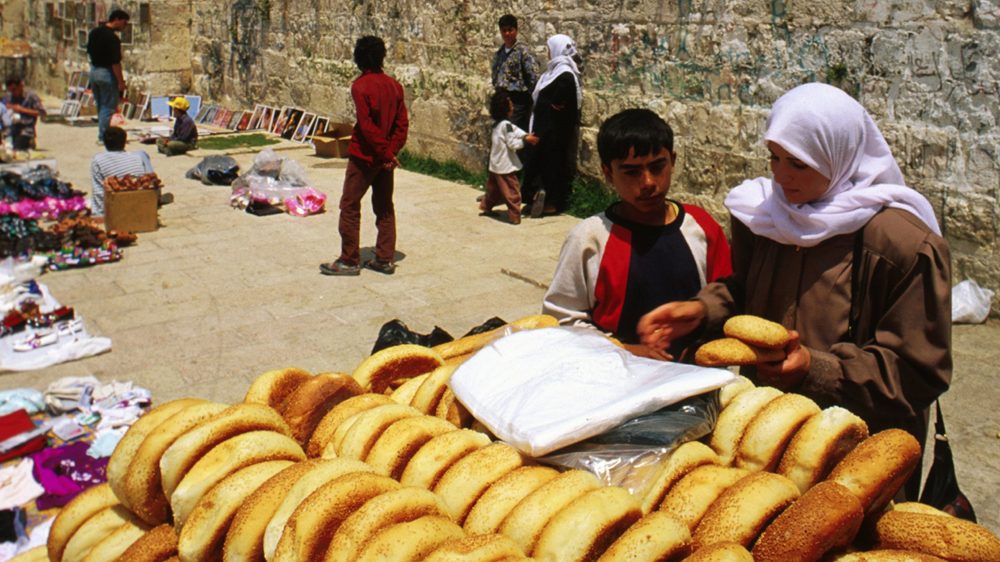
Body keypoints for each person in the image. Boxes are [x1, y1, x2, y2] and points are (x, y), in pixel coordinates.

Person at [637, 83, 951, 498]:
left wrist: (815, 368)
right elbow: (747, 290)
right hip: (761, 439)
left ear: (838, 156)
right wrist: (703, 310)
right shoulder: (767, 217)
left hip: (855, 462)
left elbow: (917, 372)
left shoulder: (904, 246)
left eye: (799, 164)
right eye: (774, 157)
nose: (781, 176)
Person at [543, 108, 732, 360]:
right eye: (631, 172)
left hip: (697, 377)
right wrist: (627, 352)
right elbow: (561, 320)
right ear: (608, 173)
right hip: (617, 382)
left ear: (673, 161)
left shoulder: (701, 226)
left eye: (657, 167)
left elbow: (729, 299)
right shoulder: (589, 239)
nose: (648, 183)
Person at [320, 36, 408, 277]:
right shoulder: (395, 86)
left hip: (364, 157)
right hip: (384, 159)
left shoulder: (360, 86)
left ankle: (349, 259)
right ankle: (384, 258)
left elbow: (367, 127)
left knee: (349, 205)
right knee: (384, 207)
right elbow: (402, 125)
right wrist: (391, 152)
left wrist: (385, 152)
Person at [521, 34, 582, 218]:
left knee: (551, 163)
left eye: (550, 49)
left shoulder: (564, 71)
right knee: (541, 161)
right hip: (545, 127)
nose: (548, 53)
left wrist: (557, 101)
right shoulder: (555, 70)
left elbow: (566, 85)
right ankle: (538, 196)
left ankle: (552, 203)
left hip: (554, 129)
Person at [481, 90, 539, 225]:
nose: (512, 106)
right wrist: (526, 141)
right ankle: (514, 216)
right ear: (505, 109)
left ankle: (485, 206)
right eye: (510, 104)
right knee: (512, 191)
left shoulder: (496, 124)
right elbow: (512, 143)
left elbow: (515, 130)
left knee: (493, 190)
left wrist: (525, 135)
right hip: (504, 166)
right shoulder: (505, 126)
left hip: (494, 164)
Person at [90, 126, 153, 219]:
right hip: (142, 201)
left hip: (116, 204)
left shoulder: (98, 159)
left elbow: (98, 189)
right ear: (124, 142)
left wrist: (100, 212)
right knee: (141, 153)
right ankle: (155, 195)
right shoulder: (137, 156)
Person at [491, 14, 539, 134]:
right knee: (499, 133)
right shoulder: (500, 53)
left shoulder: (523, 52)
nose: (507, 34)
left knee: (512, 135)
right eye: (504, 30)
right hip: (502, 100)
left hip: (517, 103)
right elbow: (495, 75)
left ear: (516, 30)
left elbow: (534, 77)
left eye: (510, 30)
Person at [87, 9, 129, 143]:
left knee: (101, 105)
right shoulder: (112, 38)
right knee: (108, 106)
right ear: (116, 20)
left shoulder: (94, 32)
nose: (124, 26)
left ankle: (103, 132)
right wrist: (120, 82)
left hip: (94, 71)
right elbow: (115, 63)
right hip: (106, 73)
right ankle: (103, 137)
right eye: (124, 23)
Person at [2, 77, 46, 151]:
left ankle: (29, 142)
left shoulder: (31, 96)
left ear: (20, 85)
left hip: (25, 129)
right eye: (11, 90)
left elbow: (42, 113)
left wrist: (23, 110)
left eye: (14, 89)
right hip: (11, 129)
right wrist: (11, 107)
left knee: (16, 149)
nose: (13, 92)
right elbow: (3, 106)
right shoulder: (9, 96)